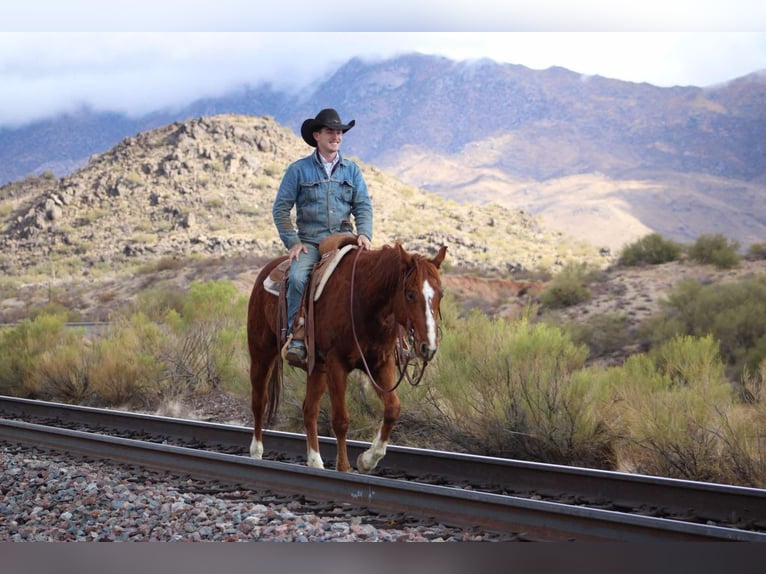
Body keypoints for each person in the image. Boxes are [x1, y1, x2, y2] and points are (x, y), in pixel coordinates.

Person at [272, 108, 373, 365]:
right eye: (330, 132)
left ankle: (383, 339)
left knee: (377, 278)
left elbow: (362, 205)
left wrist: (364, 233)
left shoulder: (352, 171)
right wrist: (292, 242)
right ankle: (296, 335)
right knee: (296, 277)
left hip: (344, 241)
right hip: (311, 242)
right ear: (317, 135)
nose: (336, 137)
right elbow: (281, 208)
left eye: (339, 132)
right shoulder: (298, 171)